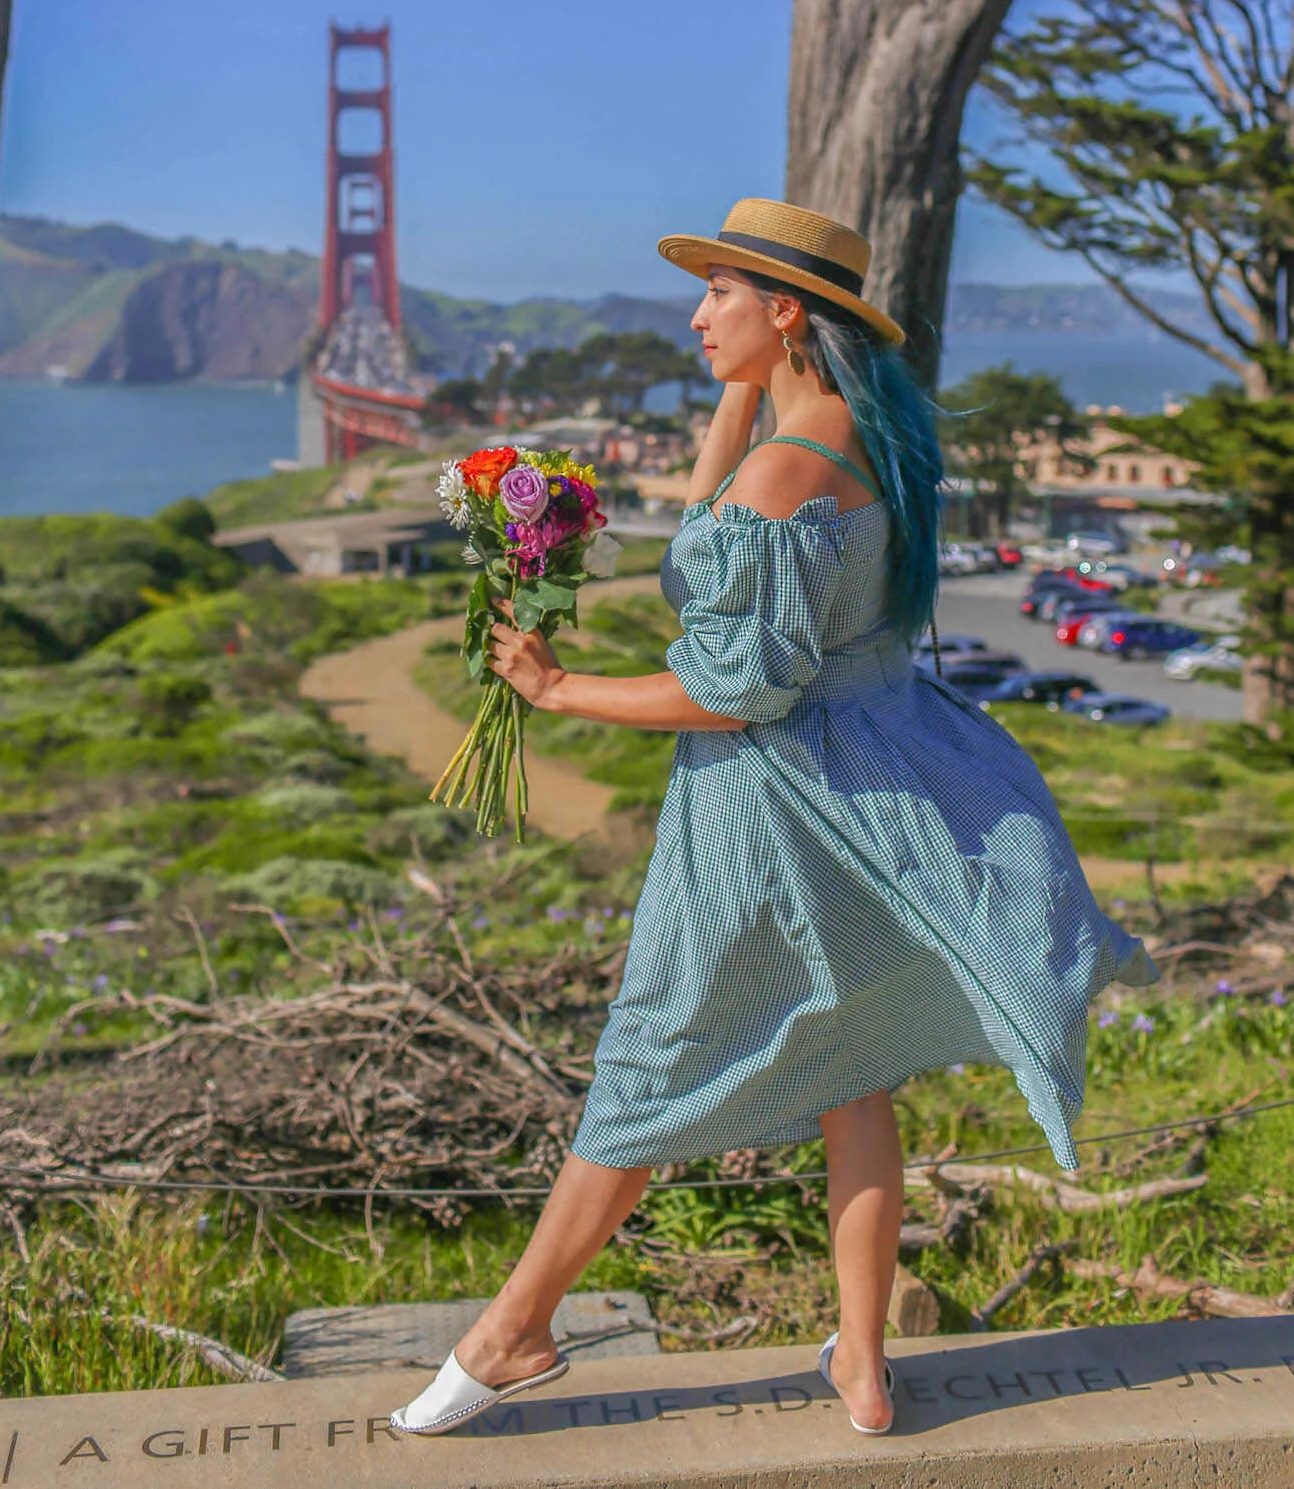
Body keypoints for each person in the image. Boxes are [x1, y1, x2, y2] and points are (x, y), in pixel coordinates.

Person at [394, 198, 1154, 1439]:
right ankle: (861, 1363)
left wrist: (554, 688)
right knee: (853, 1077)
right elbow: (713, 545)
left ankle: (515, 1333)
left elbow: (731, 683)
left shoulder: (788, 472)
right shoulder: (858, 440)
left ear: (783, 310)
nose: (696, 318)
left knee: (648, 1060)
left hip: (767, 808)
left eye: (720, 297)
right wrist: (741, 399)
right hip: (865, 786)